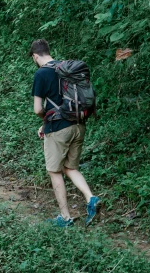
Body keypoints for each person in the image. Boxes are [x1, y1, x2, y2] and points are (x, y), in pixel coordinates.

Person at [30, 38, 100, 228]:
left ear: (35, 56)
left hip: (59, 129)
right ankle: (91, 198)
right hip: (78, 125)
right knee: (70, 168)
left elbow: (38, 109)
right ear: (49, 51)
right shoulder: (65, 69)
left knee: (54, 171)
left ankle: (66, 217)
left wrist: (46, 120)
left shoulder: (41, 74)